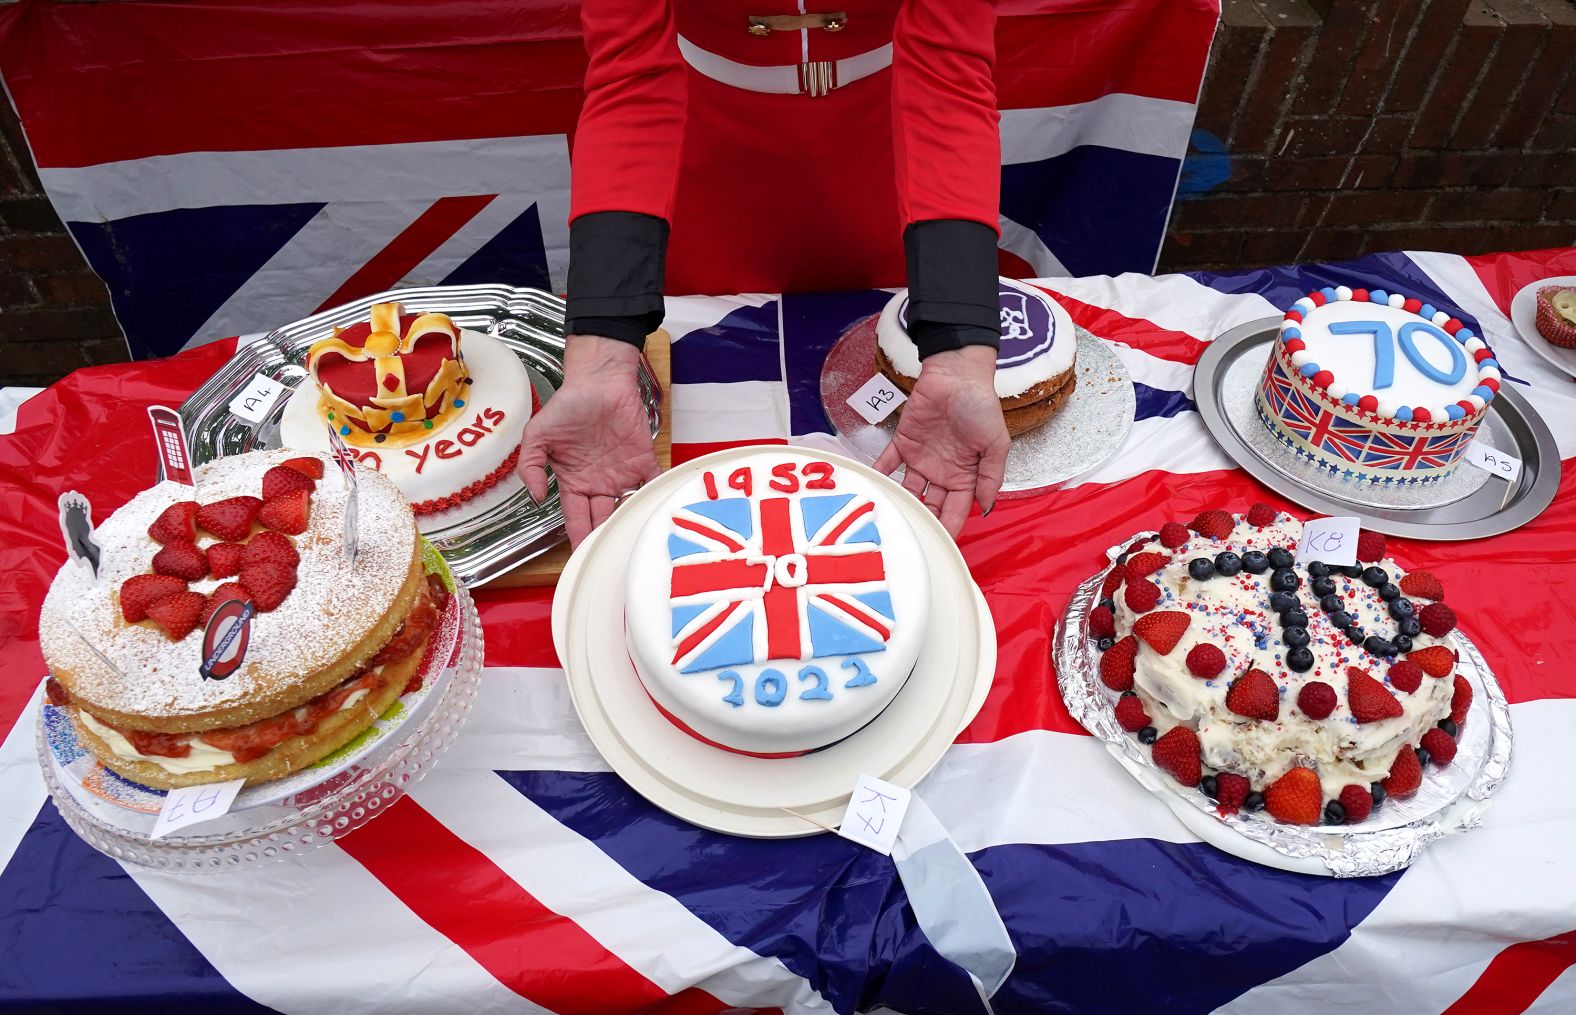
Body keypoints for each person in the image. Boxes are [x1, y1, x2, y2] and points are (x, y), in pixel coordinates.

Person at [518, 0, 1008, 545]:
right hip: (700, 169)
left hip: (897, 171)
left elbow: (949, 78)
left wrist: (958, 344)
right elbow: (628, 79)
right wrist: (602, 354)